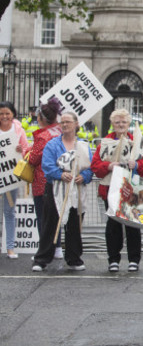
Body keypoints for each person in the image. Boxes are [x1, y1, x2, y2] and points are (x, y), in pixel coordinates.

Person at [91, 109, 143, 273]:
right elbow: (95, 167)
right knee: (113, 226)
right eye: (117, 122)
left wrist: (138, 165)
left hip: (132, 189)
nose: (120, 125)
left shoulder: (137, 142)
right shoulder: (105, 143)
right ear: (112, 124)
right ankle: (113, 259)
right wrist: (108, 166)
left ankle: (134, 259)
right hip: (110, 189)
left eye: (123, 122)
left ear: (128, 124)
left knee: (133, 224)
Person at [32, 112, 93, 272]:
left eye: (68, 122)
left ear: (75, 124)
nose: (64, 125)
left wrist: (83, 176)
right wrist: (60, 174)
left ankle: (74, 258)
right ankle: (42, 258)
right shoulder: (52, 145)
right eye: (62, 122)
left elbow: (89, 167)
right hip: (55, 188)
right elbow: (47, 165)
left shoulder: (83, 145)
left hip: (76, 190)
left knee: (74, 223)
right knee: (50, 223)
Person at [26, 99, 63, 257]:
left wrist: (26, 152)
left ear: (41, 118)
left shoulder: (43, 136)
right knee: (56, 216)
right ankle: (58, 247)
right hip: (59, 180)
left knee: (43, 217)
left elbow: (33, 159)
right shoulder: (60, 131)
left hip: (42, 181)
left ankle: (45, 250)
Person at [0, 101, 29, 259]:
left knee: (9, 212)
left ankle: (10, 247)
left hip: (10, 177)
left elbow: (26, 150)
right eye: (1, 113)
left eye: (7, 113)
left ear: (13, 114)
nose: (4, 116)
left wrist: (21, 149)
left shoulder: (18, 129)